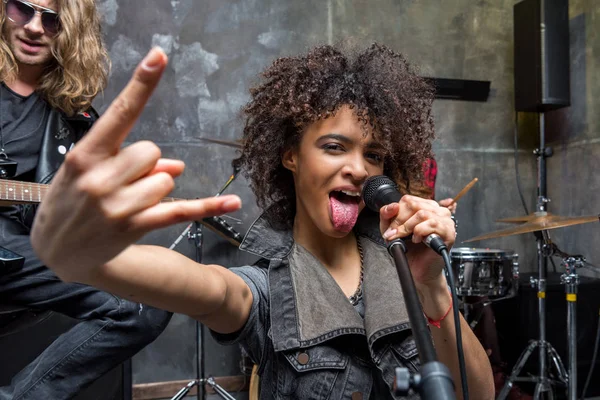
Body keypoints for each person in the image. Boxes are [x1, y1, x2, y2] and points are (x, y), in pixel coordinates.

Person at [31, 44, 495, 399]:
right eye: (334, 147)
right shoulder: (265, 291)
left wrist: (431, 285)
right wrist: (85, 260)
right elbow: (202, 286)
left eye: (373, 154)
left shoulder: (404, 265)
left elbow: (480, 393)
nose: (359, 168)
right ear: (290, 155)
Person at [0, 1, 172, 398]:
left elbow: (89, 208)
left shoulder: (77, 118)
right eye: (21, 10)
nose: (34, 27)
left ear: (70, 32)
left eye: (52, 19)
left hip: (27, 250)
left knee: (145, 302)